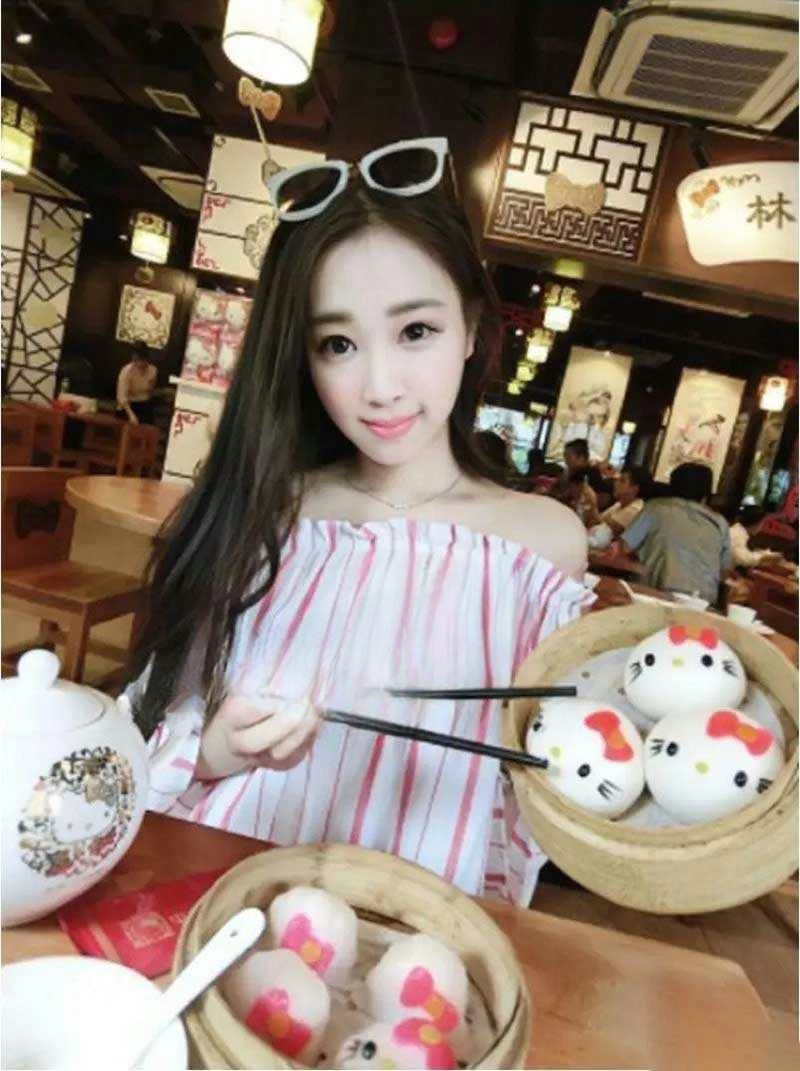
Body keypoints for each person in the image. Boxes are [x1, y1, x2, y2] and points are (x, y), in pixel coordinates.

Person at [124, 138, 593, 907]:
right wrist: (214, 749)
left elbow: (534, 787)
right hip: (225, 898)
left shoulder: (540, 547)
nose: (380, 386)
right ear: (301, 357)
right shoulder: (265, 511)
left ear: (472, 329)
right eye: (338, 344)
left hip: (415, 923)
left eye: (416, 331)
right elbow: (157, 726)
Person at [621, 462, 731, 604]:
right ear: (706, 495)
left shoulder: (655, 508)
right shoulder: (720, 523)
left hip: (657, 594)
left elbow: (624, 547)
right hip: (703, 602)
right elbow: (724, 572)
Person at [585, 465, 649, 548]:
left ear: (635, 489)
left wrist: (592, 501)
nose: (616, 483)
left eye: (622, 481)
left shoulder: (635, 509)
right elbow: (596, 521)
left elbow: (606, 527)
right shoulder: (619, 504)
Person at [551, 438, 611, 509]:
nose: (566, 460)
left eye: (568, 457)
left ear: (581, 457)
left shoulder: (591, 473)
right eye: (565, 456)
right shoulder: (569, 471)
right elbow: (556, 488)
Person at [728, 506, 783, 570]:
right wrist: (765, 557)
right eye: (763, 523)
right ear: (756, 522)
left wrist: (764, 555)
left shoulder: (737, 530)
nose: (762, 526)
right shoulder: (738, 534)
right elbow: (745, 559)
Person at [117, 341, 157, 424]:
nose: (140, 363)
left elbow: (150, 392)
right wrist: (131, 415)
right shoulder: (127, 371)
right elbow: (122, 397)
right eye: (137, 360)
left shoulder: (153, 370)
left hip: (144, 404)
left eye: (143, 360)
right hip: (128, 406)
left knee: (149, 424)